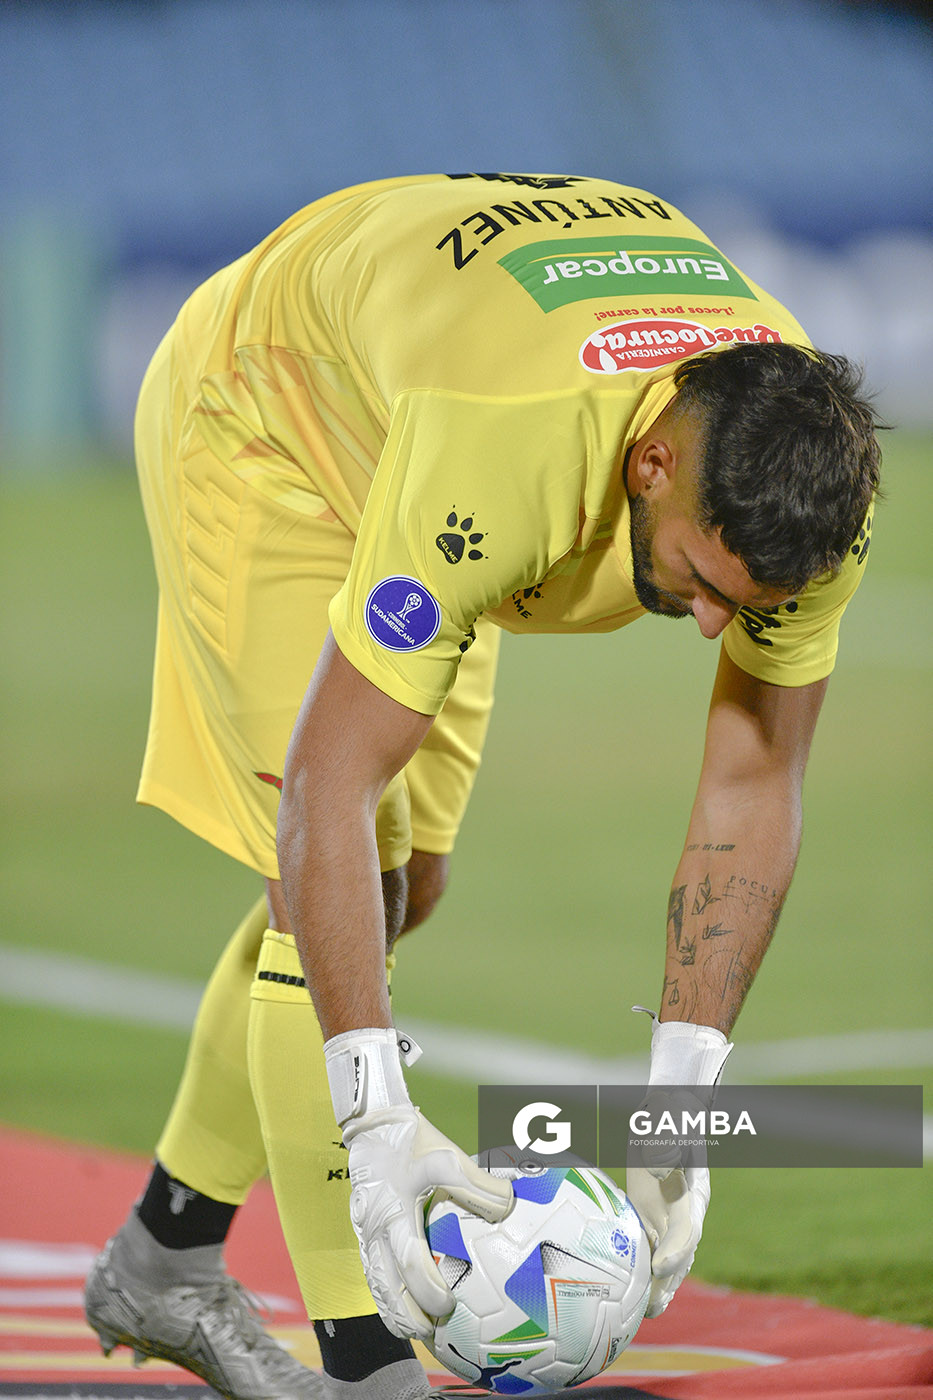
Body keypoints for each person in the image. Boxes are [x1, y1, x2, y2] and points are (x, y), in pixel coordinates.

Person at [84, 172, 880, 1400]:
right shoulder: (506, 440)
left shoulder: (812, 490)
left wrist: (684, 1086)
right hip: (275, 429)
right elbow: (326, 783)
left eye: (749, 608)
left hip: (423, 429)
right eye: (700, 580)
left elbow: (755, 769)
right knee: (334, 886)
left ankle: (165, 1256)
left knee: (400, 893)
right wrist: (376, 1115)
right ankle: (363, 1364)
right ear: (654, 461)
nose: (713, 625)